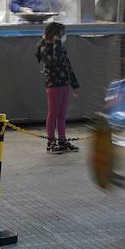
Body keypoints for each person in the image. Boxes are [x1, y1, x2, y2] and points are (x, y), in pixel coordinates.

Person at [35, 21, 80, 154]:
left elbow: (67, 67)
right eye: (62, 34)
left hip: (64, 84)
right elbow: (56, 61)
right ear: (56, 35)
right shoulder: (45, 49)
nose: (64, 36)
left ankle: (62, 140)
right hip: (54, 86)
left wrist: (74, 85)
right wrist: (57, 44)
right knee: (53, 114)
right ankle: (51, 142)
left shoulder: (60, 48)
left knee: (61, 115)